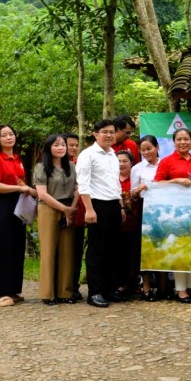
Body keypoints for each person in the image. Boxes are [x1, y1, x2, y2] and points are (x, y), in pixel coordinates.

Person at [0, 124, 36, 306]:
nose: (9, 137)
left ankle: (13, 289)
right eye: (4, 135)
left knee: (16, 246)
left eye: (11, 134)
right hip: (3, 206)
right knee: (2, 248)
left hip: (19, 204)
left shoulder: (16, 158)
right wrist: (20, 188)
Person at [76, 119, 123, 308]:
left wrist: (120, 206)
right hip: (96, 205)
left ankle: (109, 289)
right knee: (97, 250)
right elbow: (83, 183)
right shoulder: (88, 155)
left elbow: (115, 183)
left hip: (113, 204)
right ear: (96, 134)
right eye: (105, 132)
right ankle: (94, 292)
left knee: (112, 250)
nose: (109, 135)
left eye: (112, 132)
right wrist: (88, 209)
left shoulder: (113, 154)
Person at [153, 127, 191, 303]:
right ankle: (180, 290)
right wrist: (176, 181)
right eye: (179, 139)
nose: (183, 142)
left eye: (186, 139)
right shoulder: (167, 161)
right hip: (175, 213)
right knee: (181, 249)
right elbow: (156, 185)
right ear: (174, 142)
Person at [34, 134, 78, 305]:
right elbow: (42, 194)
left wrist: (71, 208)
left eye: (63, 145)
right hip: (49, 209)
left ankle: (65, 292)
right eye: (56, 145)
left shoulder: (72, 166)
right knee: (49, 250)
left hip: (69, 208)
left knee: (67, 251)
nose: (60, 148)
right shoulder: (41, 167)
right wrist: (64, 209)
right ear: (48, 148)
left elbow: (77, 189)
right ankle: (48, 293)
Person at [130, 135, 161, 301]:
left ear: (157, 148)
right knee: (145, 248)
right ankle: (146, 286)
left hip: (163, 210)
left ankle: (163, 286)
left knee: (162, 244)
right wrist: (138, 189)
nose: (146, 152)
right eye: (143, 150)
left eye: (149, 148)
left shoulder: (165, 164)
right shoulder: (137, 168)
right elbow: (132, 194)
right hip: (145, 209)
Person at [65, 132, 86, 302]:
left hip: (79, 213)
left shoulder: (80, 164)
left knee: (76, 252)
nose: (73, 148)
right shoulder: (54, 165)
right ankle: (62, 287)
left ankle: (74, 286)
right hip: (61, 212)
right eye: (70, 144)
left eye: (75, 145)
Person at [115, 151, 138, 299]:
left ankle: (132, 284)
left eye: (125, 161)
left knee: (133, 256)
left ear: (131, 163)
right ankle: (119, 284)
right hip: (116, 225)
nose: (121, 164)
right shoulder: (113, 180)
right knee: (118, 256)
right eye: (119, 161)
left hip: (135, 223)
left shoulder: (135, 180)